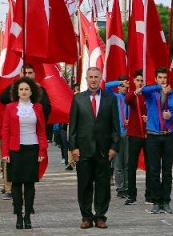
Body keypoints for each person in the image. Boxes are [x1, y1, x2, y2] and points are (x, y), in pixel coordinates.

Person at [69, 67, 120, 230]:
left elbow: (115, 126)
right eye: (90, 77)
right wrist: (73, 147)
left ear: (100, 79)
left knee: (103, 185)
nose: (93, 80)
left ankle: (100, 217)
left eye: (96, 77)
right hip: (83, 150)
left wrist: (114, 147)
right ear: (86, 79)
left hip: (104, 151)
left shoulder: (110, 99)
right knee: (84, 185)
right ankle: (86, 217)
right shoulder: (78, 99)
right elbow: (73, 126)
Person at [1, 76, 48, 230]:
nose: (23, 91)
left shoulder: (38, 108)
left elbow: (41, 130)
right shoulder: (10, 107)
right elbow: (5, 131)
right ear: (17, 91)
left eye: (26, 89)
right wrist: (5, 152)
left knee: (29, 184)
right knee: (16, 183)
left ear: (31, 91)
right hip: (15, 150)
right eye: (21, 89)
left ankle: (27, 216)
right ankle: (19, 215)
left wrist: (42, 150)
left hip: (32, 148)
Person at [141, 67, 173, 215]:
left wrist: (171, 116)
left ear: (168, 79)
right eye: (160, 78)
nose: (163, 80)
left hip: (168, 136)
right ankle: (156, 201)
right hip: (153, 135)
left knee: (167, 171)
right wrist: (159, 88)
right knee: (154, 170)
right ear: (156, 79)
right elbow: (143, 90)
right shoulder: (151, 93)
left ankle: (166, 201)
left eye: (165, 78)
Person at [123, 70, 149, 206]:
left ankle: (149, 195)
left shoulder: (148, 95)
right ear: (134, 81)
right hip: (134, 134)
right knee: (131, 166)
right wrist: (135, 93)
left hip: (148, 134)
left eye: (142, 81)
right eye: (138, 80)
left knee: (150, 166)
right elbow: (126, 100)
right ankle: (131, 195)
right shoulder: (132, 95)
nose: (140, 83)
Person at [105, 75, 130, 199]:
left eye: (126, 86)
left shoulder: (131, 99)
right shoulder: (115, 97)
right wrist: (119, 82)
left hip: (129, 134)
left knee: (127, 163)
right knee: (118, 164)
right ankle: (120, 188)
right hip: (118, 134)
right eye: (122, 86)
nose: (124, 88)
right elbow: (105, 86)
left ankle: (127, 187)